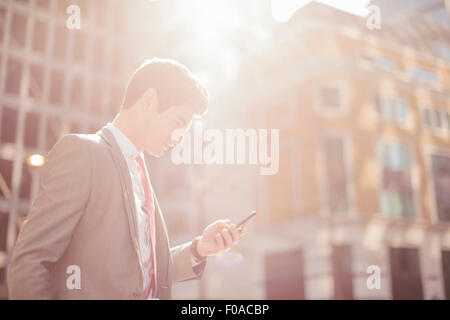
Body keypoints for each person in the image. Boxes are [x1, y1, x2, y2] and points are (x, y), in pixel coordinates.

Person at [7, 58, 247, 300]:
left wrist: (198, 249)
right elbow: (31, 259)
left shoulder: (140, 173)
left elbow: (139, 274)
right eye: (178, 122)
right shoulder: (83, 153)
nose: (180, 137)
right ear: (149, 101)